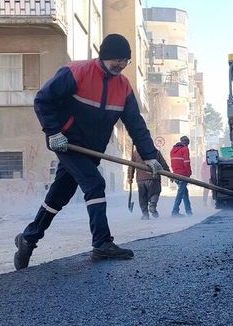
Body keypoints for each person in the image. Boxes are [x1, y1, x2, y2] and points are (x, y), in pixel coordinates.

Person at [13, 33, 163, 270]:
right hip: (67, 143)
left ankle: (28, 238)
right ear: (104, 56)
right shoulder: (76, 72)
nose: (122, 65)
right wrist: (53, 132)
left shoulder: (123, 88)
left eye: (126, 61)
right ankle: (102, 242)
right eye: (118, 59)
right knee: (95, 184)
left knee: (59, 196)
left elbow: (136, 125)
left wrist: (150, 156)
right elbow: (43, 100)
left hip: (93, 150)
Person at [127, 148, 170, 219]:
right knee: (155, 192)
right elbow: (163, 164)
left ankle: (145, 215)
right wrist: (169, 174)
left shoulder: (135, 153)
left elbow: (131, 166)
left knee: (142, 197)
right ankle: (152, 204)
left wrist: (130, 178)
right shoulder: (156, 152)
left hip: (141, 180)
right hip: (154, 178)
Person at [170, 136, 192, 216]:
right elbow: (186, 162)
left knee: (184, 192)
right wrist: (189, 173)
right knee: (180, 193)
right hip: (183, 174)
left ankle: (189, 211)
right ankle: (174, 211)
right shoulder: (185, 149)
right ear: (187, 143)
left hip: (175, 174)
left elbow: (173, 163)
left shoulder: (173, 150)